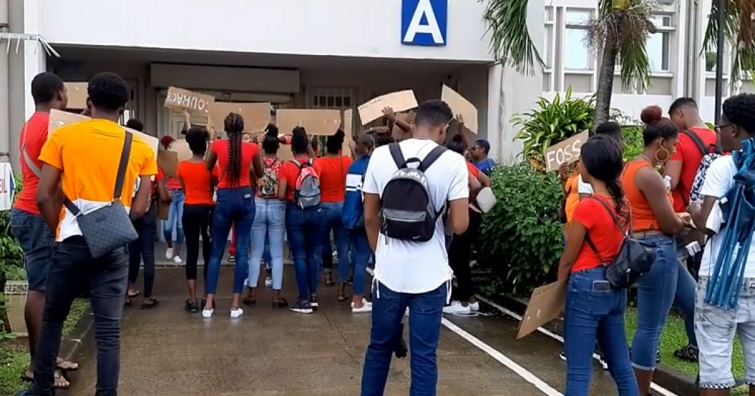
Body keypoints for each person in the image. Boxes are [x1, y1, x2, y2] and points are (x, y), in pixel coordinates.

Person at [27, 71, 157, 396]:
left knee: (54, 320)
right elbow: (140, 210)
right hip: (112, 247)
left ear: (88, 103)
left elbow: (43, 195)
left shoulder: (64, 137)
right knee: (109, 332)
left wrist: (57, 227)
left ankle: (42, 390)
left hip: (70, 241)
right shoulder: (140, 146)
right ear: (124, 108)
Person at [361, 100, 469, 395]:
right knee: (423, 358)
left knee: (379, 349)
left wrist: (379, 254)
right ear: (442, 129)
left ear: (415, 122)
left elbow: (370, 215)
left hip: (389, 274)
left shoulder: (382, 155)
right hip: (430, 277)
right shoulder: (452, 162)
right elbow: (460, 225)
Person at [10, 72, 76, 390]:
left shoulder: (29, 123)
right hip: (38, 213)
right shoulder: (52, 126)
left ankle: (49, 356)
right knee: (41, 290)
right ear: (59, 94)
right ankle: (39, 365)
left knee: (47, 289)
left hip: (27, 210)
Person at [558, 135, 638, 395]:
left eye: (580, 160)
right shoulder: (623, 203)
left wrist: (559, 290)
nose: (578, 164)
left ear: (589, 166)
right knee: (621, 366)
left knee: (579, 370)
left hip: (586, 285)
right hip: (615, 285)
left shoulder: (588, 207)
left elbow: (568, 257)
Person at [621, 105, 692, 396]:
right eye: (674, 146)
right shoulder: (648, 175)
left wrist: (679, 219)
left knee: (695, 303)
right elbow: (669, 224)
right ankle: (639, 390)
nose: (674, 153)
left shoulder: (630, 167)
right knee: (650, 327)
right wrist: (687, 219)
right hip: (659, 249)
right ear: (661, 143)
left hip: (645, 245)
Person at [690, 93, 755, 396]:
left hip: (719, 280)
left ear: (736, 130)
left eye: (721, 126)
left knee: (715, 373)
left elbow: (705, 224)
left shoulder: (723, 166)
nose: (718, 131)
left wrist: (694, 212)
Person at [203, 113, 263, 318]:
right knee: (242, 250)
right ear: (242, 128)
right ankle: (235, 304)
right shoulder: (252, 148)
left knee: (216, 251)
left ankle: (209, 304)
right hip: (246, 197)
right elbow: (261, 173)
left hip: (225, 197)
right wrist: (259, 147)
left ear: (226, 128)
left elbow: (207, 166)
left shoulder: (218, 145)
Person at [125, 119, 169, 310]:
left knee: (131, 252)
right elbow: (163, 193)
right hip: (147, 211)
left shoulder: (122, 157)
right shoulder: (148, 157)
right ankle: (148, 297)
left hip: (127, 209)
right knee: (148, 254)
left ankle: (128, 292)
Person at [278, 127, 323, 313]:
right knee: (313, 254)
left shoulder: (287, 167)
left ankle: (303, 300)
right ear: (307, 146)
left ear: (291, 148)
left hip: (295, 211)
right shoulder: (316, 165)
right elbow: (314, 162)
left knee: (299, 256)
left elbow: (281, 195)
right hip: (315, 211)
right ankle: (313, 296)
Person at [443, 132, 488, 315]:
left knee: (457, 257)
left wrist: (466, 200)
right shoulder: (469, 164)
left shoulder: (458, 165)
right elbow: (487, 182)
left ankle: (465, 300)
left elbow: (476, 184)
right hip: (475, 214)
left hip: (466, 213)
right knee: (461, 256)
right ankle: (469, 299)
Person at [244, 124, 288, 309]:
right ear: (277, 148)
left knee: (256, 252)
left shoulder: (257, 164)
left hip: (259, 203)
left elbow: (251, 181)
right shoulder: (282, 165)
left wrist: (257, 141)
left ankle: (252, 293)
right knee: (277, 254)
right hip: (277, 205)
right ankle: (276, 296)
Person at [178, 127, 219, 313]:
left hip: (189, 208)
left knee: (192, 252)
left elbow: (184, 189)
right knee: (209, 253)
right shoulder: (211, 167)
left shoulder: (182, 166)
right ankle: (206, 297)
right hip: (208, 208)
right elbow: (215, 186)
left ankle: (192, 298)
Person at [314, 129, 353, 301]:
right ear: (340, 147)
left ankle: (327, 275)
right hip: (343, 205)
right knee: (343, 248)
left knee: (323, 242)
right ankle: (341, 289)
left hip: (324, 206)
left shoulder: (319, 162)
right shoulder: (347, 161)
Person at [665, 97, 718, 213]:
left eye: (673, 120)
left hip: (684, 213)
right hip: (710, 213)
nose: (674, 127)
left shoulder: (680, 140)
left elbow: (670, 182)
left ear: (680, 113)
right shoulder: (718, 138)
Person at [342, 134, 375, 313]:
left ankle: (358, 297)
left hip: (350, 216)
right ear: (372, 147)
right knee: (364, 258)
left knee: (357, 256)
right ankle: (358, 300)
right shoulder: (373, 166)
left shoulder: (353, 166)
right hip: (364, 218)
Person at [160, 135, 185, 264]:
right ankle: (170, 245)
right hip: (170, 194)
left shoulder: (183, 158)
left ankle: (177, 252)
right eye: (170, 145)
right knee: (167, 227)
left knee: (181, 226)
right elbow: (160, 178)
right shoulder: (164, 160)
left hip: (182, 194)